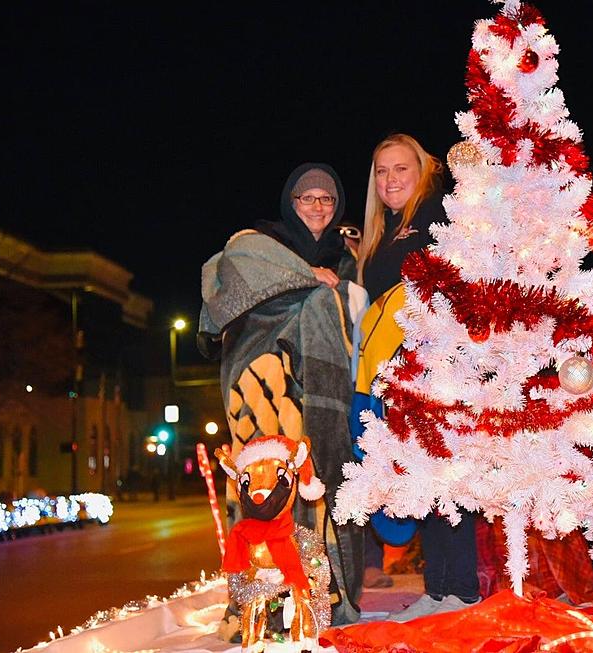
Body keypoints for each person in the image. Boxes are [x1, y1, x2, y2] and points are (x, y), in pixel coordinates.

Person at [198, 163, 366, 625]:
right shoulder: (259, 243)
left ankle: (321, 599)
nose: (317, 206)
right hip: (262, 384)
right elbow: (227, 276)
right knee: (264, 487)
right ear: (290, 203)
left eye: (327, 199)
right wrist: (304, 277)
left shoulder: (346, 254)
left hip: (321, 390)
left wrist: (330, 289)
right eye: (307, 197)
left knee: (318, 484)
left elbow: (359, 307)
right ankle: (258, 607)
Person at [354, 133, 480, 621]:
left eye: (400, 168)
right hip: (394, 376)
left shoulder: (436, 213)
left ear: (422, 170)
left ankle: (462, 590)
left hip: (437, 367)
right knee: (423, 483)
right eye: (382, 171)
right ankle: (441, 587)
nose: (390, 180)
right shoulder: (381, 230)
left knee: (448, 480)